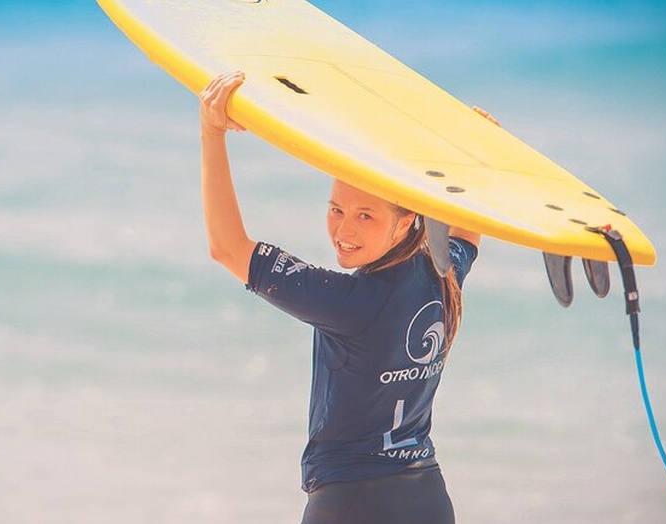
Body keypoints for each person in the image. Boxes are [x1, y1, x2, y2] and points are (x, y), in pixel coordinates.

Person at [199, 70, 482, 524]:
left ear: (406, 220)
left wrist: (212, 132)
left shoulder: (349, 302)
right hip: (427, 495)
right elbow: (469, 227)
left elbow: (227, 248)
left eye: (365, 216)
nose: (344, 230)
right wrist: (472, 150)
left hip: (351, 504)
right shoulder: (442, 275)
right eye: (336, 210)